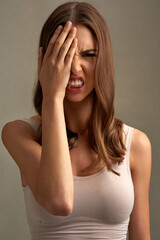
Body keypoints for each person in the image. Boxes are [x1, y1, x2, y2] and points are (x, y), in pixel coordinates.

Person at [1, 1, 152, 239]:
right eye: (64, 54)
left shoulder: (136, 144)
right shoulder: (19, 133)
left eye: (88, 54)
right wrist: (52, 95)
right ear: (45, 61)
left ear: (103, 60)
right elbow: (59, 201)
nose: (74, 67)